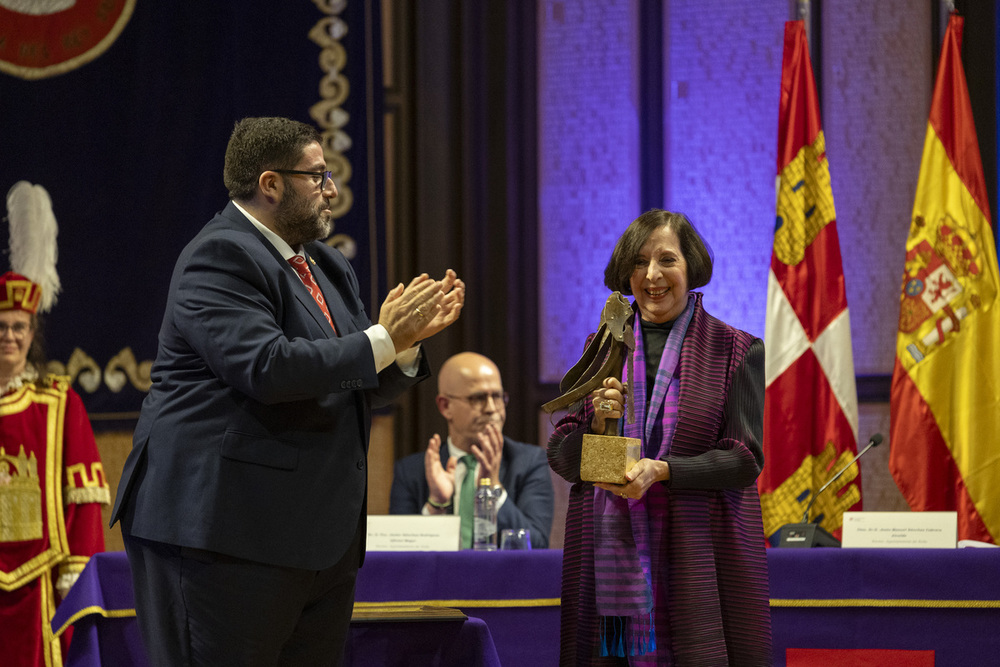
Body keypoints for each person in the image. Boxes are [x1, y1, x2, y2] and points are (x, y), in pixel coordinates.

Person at [109, 116, 464, 666]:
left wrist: (406, 345)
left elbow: (347, 380)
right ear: (271, 183)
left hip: (312, 540)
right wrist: (383, 337)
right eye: (317, 175)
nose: (330, 190)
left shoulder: (324, 263)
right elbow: (268, 368)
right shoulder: (219, 255)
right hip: (221, 536)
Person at [547, 210, 771, 665]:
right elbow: (565, 456)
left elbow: (745, 459)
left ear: (690, 269)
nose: (652, 275)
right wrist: (597, 427)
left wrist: (663, 471)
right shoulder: (600, 346)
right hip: (608, 559)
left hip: (698, 557)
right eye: (640, 261)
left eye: (667, 260)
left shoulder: (735, 349)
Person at [0, 271, 110, 667]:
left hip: (42, 584)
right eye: (1, 326)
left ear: (32, 334)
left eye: (19, 327)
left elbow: (84, 500)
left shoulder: (59, 403)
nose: (9, 336)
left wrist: (75, 576)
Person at [389, 352, 554, 548]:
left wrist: (493, 489)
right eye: (478, 398)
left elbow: (536, 545)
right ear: (445, 406)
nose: (492, 408)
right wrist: (436, 504)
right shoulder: (410, 472)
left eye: (498, 396)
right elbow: (398, 553)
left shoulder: (530, 462)